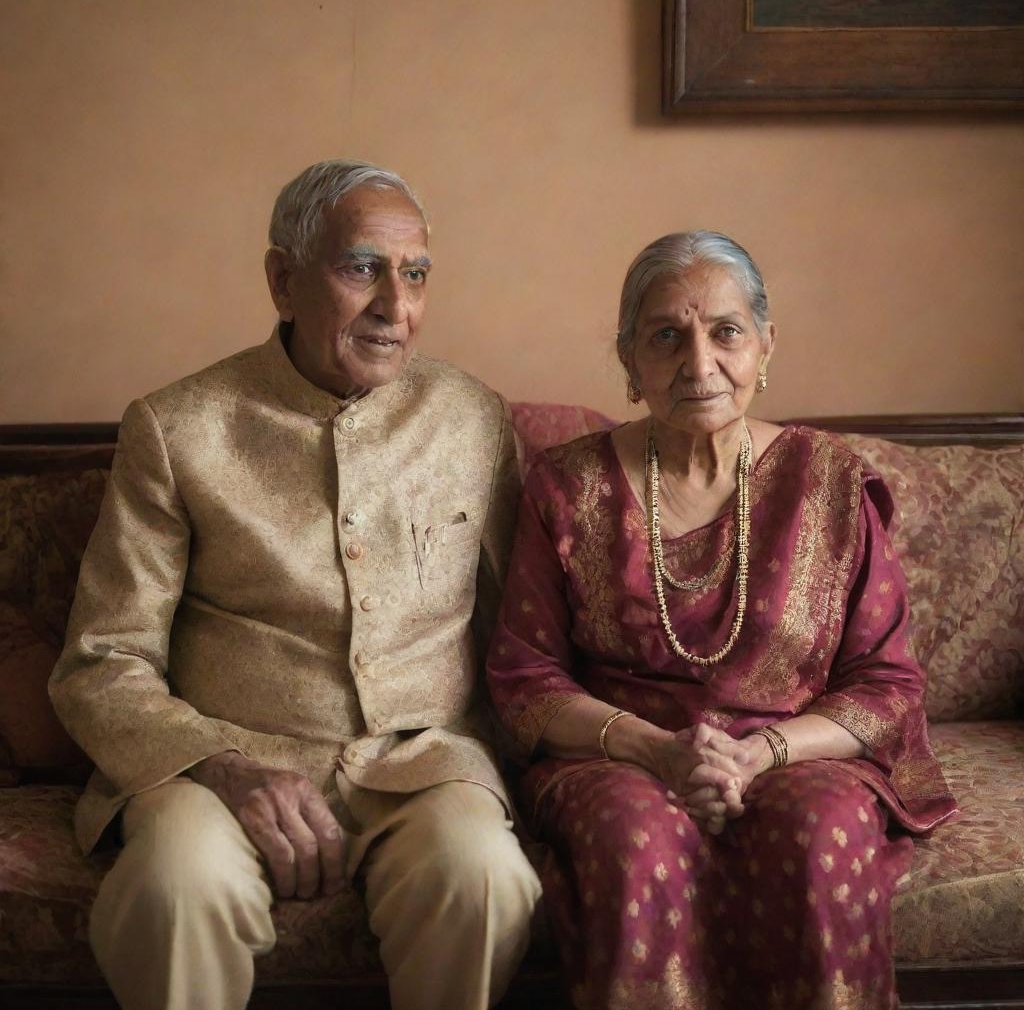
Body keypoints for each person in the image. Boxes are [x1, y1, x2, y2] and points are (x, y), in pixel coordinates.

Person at [50, 158, 541, 1010]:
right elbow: (103, 660)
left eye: (416, 274)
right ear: (283, 280)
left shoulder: (473, 419)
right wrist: (224, 766)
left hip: (420, 763)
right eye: (362, 269)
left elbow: (518, 634)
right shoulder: (178, 428)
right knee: (175, 889)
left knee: (486, 875)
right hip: (219, 765)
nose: (397, 306)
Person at [486, 231, 957, 1010]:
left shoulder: (828, 483)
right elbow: (525, 680)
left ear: (766, 345)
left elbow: (886, 683)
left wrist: (761, 754)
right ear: (629, 361)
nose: (699, 363)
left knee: (818, 836)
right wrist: (661, 752)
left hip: (798, 752)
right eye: (666, 335)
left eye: (725, 331)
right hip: (620, 756)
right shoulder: (566, 486)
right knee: (634, 842)